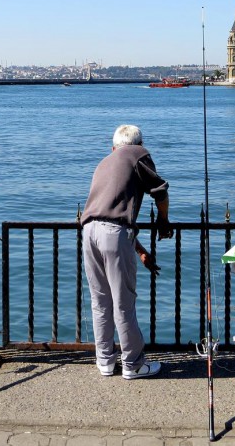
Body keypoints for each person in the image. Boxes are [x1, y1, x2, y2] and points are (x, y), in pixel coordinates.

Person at [81, 124, 173, 379]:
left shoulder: (104, 163)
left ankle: (105, 362)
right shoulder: (137, 154)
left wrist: (139, 250)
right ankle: (133, 364)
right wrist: (163, 220)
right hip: (114, 234)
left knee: (100, 302)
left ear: (113, 148)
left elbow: (107, 215)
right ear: (139, 144)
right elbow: (160, 191)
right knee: (124, 303)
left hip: (89, 233)